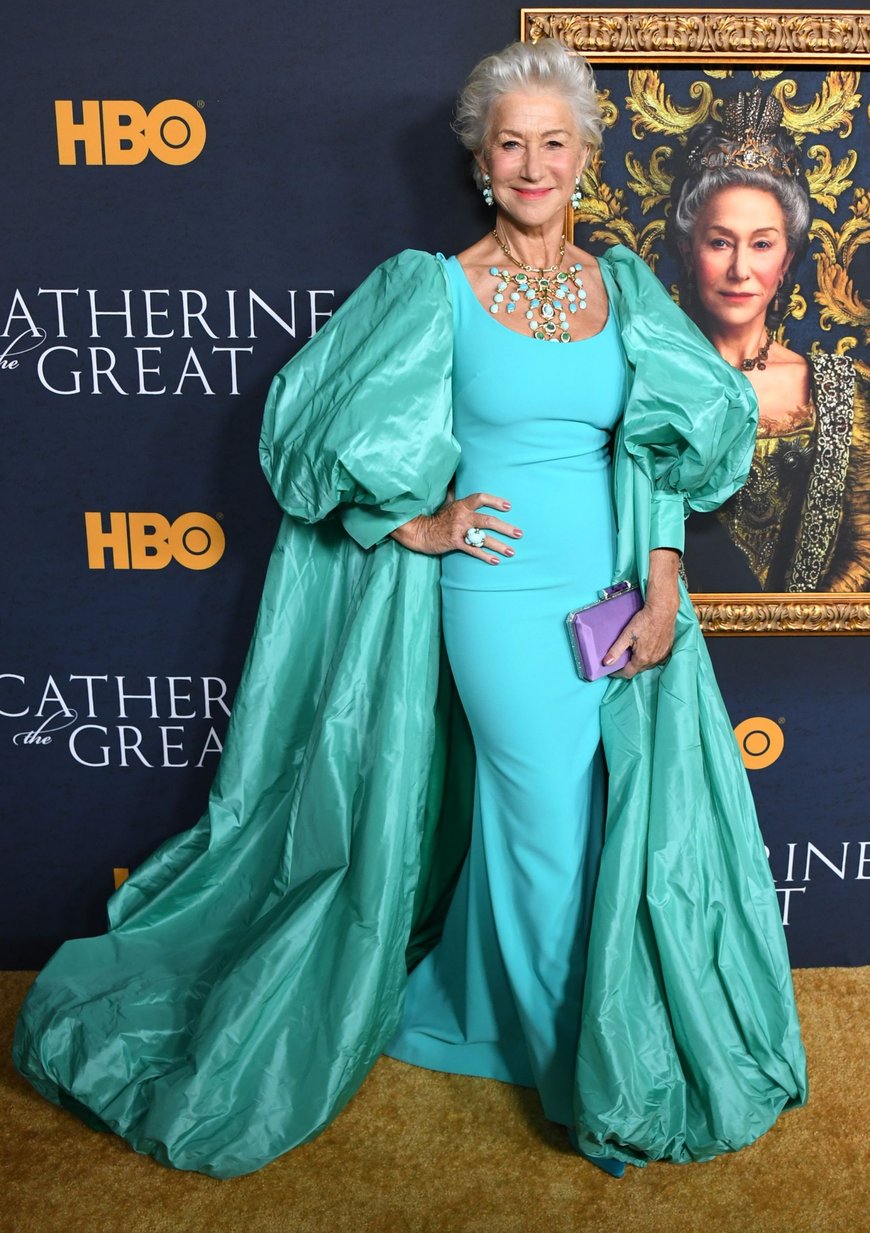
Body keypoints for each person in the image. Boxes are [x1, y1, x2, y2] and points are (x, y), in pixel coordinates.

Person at [13, 41, 807, 1179]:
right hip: (495, 598)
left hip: (616, 591)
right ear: (482, 164)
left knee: (591, 819)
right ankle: (577, 1066)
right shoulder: (431, 288)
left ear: (585, 157)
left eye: (553, 142)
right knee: (546, 822)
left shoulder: (622, 285)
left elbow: (679, 443)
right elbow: (305, 432)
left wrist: (667, 579)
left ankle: (472, 1001)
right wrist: (410, 524)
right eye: (509, 144)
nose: (532, 163)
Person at [669, 89, 870, 593]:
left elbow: (869, 553)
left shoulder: (840, 391)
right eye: (720, 241)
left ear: (786, 260)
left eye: (762, 244)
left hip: (810, 652)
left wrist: (789, 635)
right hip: (675, 649)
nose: (740, 269)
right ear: (688, 251)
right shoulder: (651, 381)